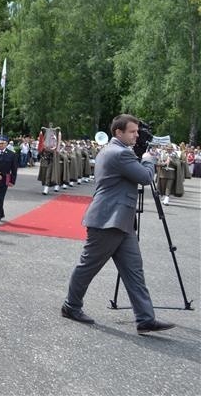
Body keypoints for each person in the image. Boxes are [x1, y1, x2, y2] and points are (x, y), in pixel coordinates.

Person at [62, 114, 175, 334]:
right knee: (88, 267)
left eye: (137, 131)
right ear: (118, 132)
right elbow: (144, 176)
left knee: (134, 271)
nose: (137, 135)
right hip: (108, 220)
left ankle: (145, 318)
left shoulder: (117, 151)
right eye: (132, 131)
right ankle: (71, 306)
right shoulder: (120, 153)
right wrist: (149, 159)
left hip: (120, 221)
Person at [0, 135, 18, 225]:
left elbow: (14, 169)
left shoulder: (12, 154)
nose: (0, 145)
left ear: (6, 144)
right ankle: (1, 213)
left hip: (4, 179)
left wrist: (12, 181)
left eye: (2, 143)